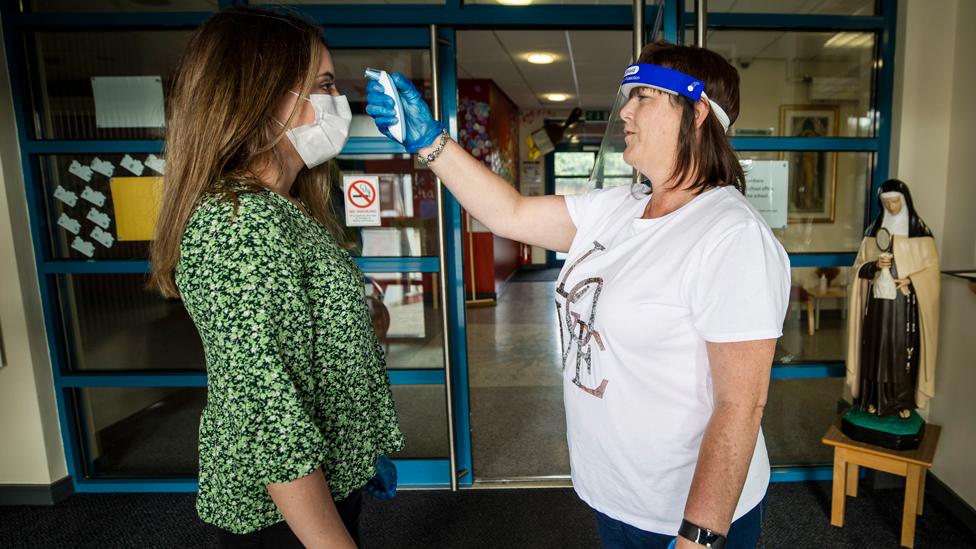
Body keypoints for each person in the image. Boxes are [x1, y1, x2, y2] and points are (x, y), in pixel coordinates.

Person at [366, 41, 790, 549]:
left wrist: (698, 536)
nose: (626, 112)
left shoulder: (730, 236)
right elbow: (511, 214)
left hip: (684, 515)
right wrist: (431, 142)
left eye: (644, 98)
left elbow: (740, 406)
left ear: (696, 112)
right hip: (615, 494)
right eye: (627, 97)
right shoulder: (620, 206)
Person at [149, 7, 403, 548]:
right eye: (325, 85)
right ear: (259, 97)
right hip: (282, 517)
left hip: (328, 477)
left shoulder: (285, 209)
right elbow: (268, 413)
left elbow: (306, 341)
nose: (338, 102)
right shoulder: (240, 224)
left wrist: (364, 320)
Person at [847, 179, 940, 419]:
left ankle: (902, 403)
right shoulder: (872, 235)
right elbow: (858, 269)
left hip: (905, 308)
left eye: (896, 202)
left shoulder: (920, 235)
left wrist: (911, 281)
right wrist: (874, 266)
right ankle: (873, 399)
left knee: (902, 354)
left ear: (906, 201)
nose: (892, 208)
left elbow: (931, 273)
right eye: (886, 203)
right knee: (876, 352)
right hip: (877, 307)